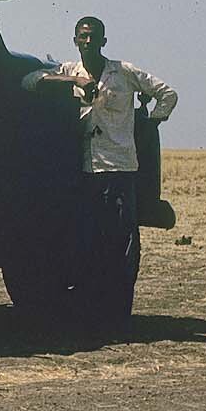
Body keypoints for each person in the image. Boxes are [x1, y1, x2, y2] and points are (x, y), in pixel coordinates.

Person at [22, 16, 178, 322]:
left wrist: (149, 124)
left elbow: (167, 94)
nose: (88, 41)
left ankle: (118, 314)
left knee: (121, 246)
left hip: (119, 168)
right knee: (88, 242)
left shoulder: (123, 73)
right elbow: (30, 80)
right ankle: (92, 313)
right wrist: (74, 82)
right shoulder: (69, 70)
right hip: (85, 170)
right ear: (75, 41)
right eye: (83, 36)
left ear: (104, 41)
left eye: (94, 36)